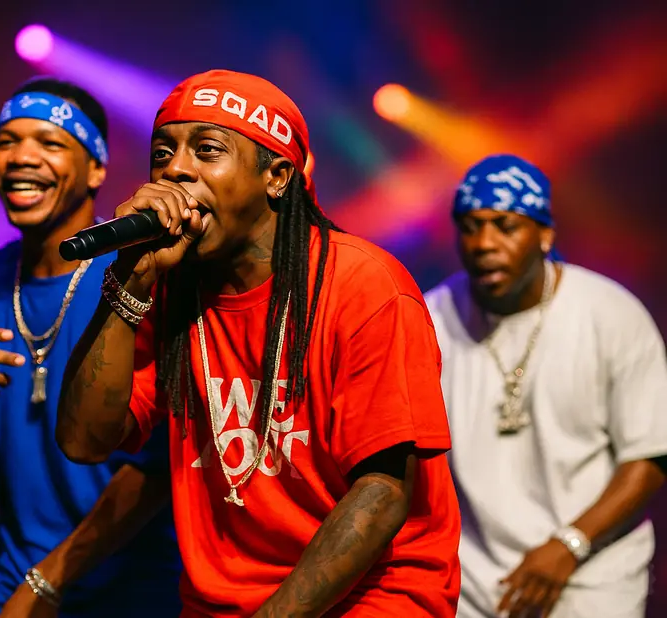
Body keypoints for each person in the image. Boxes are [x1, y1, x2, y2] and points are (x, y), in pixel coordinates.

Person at [56, 69, 461, 617]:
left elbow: (382, 493)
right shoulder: (170, 286)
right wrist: (129, 283)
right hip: (222, 603)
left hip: (372, 597)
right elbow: (84, 440)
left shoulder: (364, 287)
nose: (175, 168)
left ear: (277, 177)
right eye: (163, 152)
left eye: (207, 150)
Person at [0, 77, 181, 618]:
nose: (21, 157)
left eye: (50, 142)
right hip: (17, 580)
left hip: (140, 583)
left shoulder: (143, 270)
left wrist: (49, 579)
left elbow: (160, 467)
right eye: (7, 141)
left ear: (97, 169)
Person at [424, 153, 667, 618]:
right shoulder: (432, 319)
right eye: (470, 227)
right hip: (472, 582)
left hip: (593, 576)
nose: (484, 243)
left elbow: (649, 455)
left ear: (545, 235)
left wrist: (568, 544)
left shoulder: (609, 313)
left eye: (504, 226)